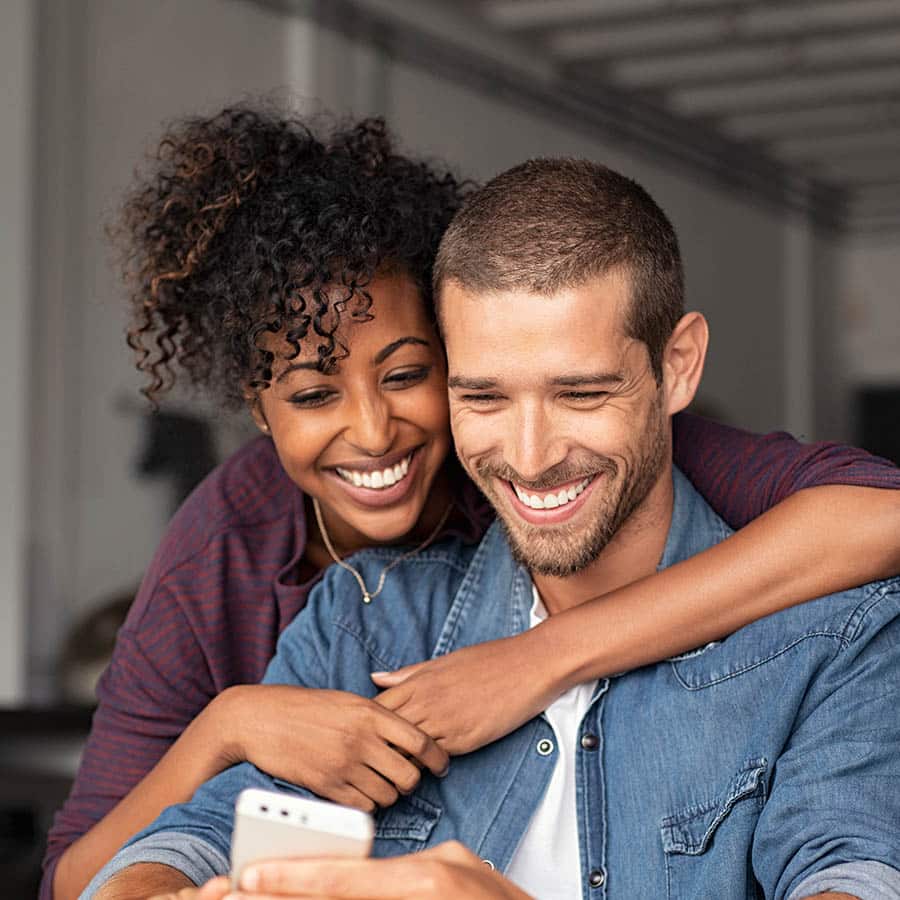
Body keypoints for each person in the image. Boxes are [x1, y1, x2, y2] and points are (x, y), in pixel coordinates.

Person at [85, 158, 900, 900]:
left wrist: (540, 660)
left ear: (677, 367)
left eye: (582, 395)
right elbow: (164, 849)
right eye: (483, 398)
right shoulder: (364, 621)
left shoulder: (838, 635)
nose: (531, 456)